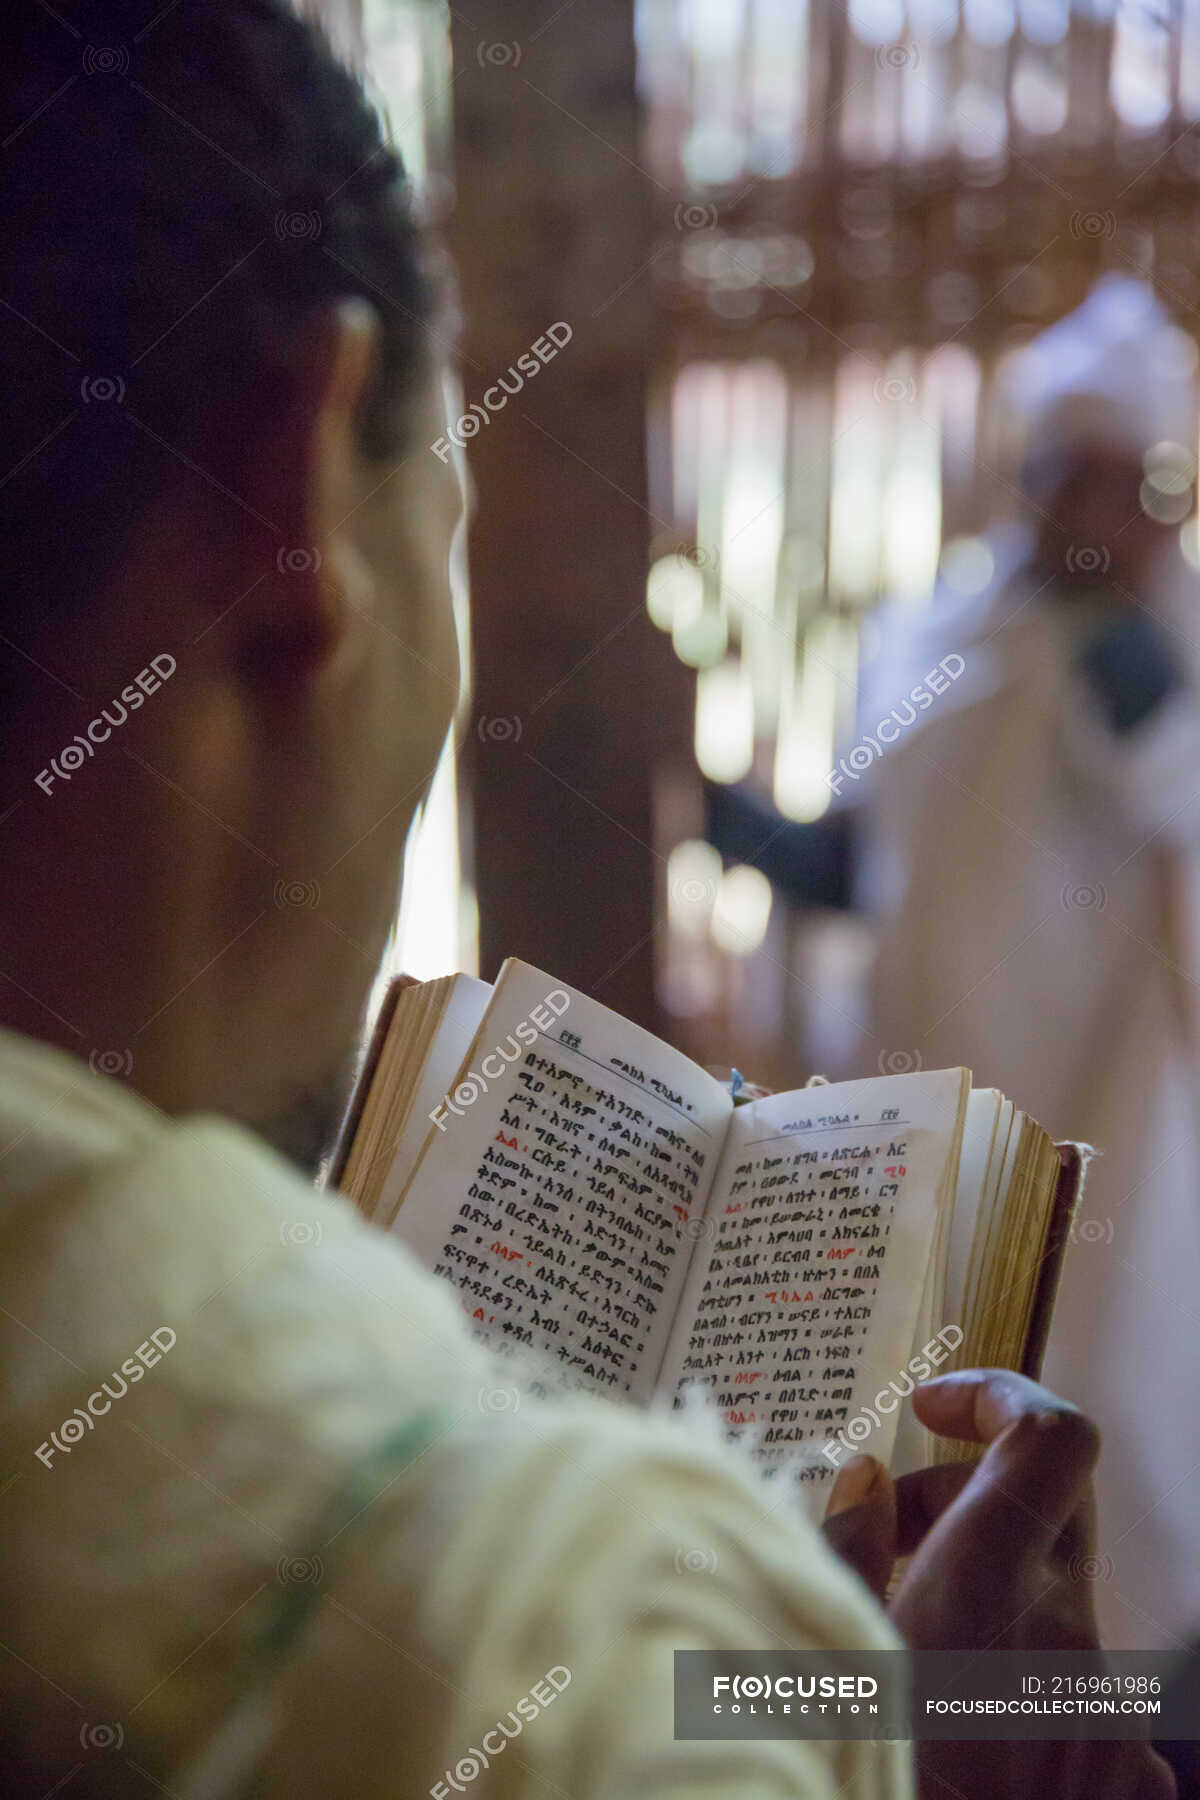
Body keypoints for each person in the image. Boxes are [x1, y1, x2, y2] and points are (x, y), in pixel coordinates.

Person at [0, 7, 1174, 1796]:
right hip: (919, 1132)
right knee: (1018, 1589)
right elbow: (859, 862)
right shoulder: (545, 1631)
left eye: (1100, 476)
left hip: (1102, 1148)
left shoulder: (1158, 671)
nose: (1064, 507)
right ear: (299, 498)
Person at [854, 275, 1200, 1653]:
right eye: (1069, 476)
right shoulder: (936, 634)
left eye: (1129, 484)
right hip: (933, 1091)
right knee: (925, 1404)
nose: (1093, 513)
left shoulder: (1174, 651)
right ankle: (942, 1717)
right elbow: (884, 842)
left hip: (1104, 1102)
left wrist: (1159, 726)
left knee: (1107, 1390)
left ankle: (1119, 1718)